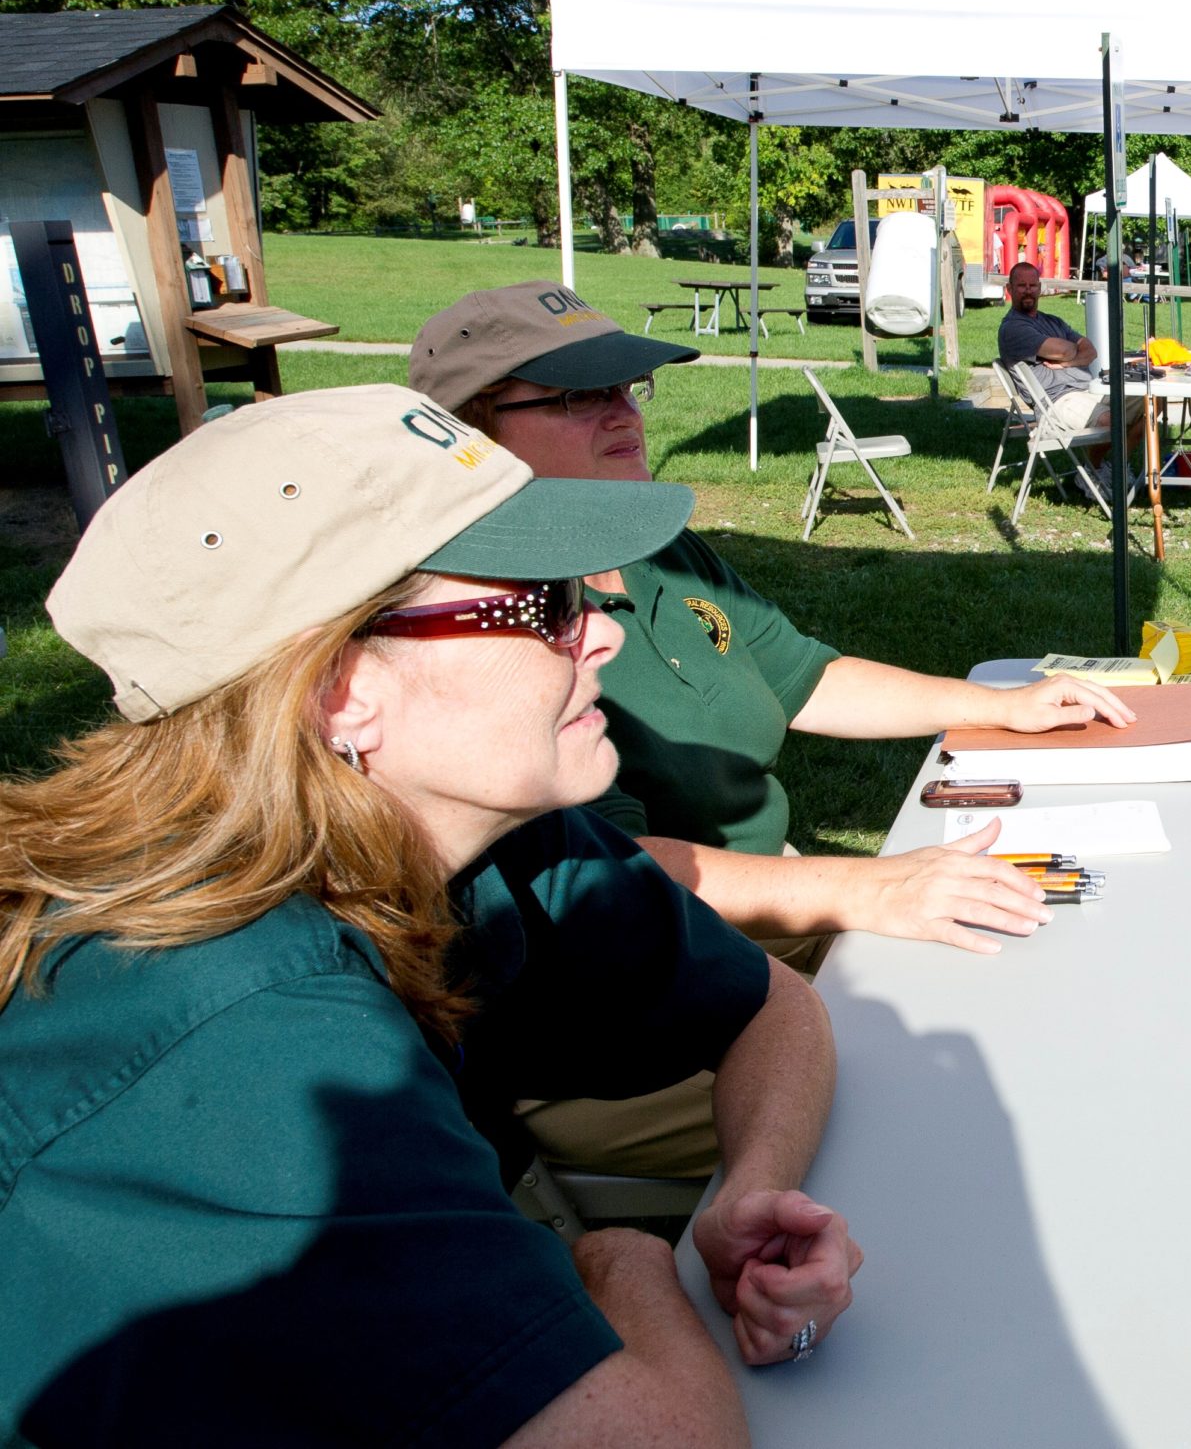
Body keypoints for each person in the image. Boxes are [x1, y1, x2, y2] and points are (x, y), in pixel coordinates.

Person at [2, 385, 861, 1446]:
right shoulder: (235, 1027)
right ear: (341, 690)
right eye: (544, 604)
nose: (601, 634)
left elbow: (769, 1002)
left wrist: (747, 1187)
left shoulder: (476, 823)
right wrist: (624, 1254)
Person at [409, 282, 1130, 1176]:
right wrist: (863, 890)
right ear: (473, 434)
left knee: (1034, 971)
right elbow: (613, 873)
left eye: (628, 387)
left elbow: (801, 676)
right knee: (954, 1095)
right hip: (627, 1020)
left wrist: (994, 703)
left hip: (760, 927)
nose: (623, 411)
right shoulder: (485, 625)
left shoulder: (658, 545)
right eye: (577, 396)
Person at [995, 257, 1141, 428]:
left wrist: (1068, 363)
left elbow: (1091, 351)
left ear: (1040, 288)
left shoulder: (1053, 321)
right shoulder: (1013, 328)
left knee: (1146, 405)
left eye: (1033, 285)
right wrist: (1071, 350)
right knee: (1111, 422)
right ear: (1009, 289)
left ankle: (1101, 456)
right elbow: (1065, 350)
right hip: (1057, 401)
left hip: (1088, 389)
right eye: (1021, 286)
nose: (1028, 290)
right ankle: (1100, 455)